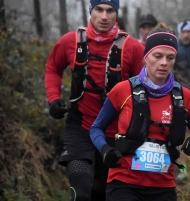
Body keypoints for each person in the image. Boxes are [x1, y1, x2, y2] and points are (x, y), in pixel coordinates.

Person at [90, 23, 190, 201]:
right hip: (124, 184)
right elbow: (96, 128)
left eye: (170, 58)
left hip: (163, 187)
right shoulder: (123, 90)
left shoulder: (184, 97)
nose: (164, 63)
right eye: (158, 56)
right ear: (145, 57)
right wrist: (105, 150)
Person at [44, 0, 144, 200]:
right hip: (81, 127)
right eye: (99, 9)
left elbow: (147, 89)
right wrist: (53, 99)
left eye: (110, 10)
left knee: (103, 193)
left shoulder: (133, 48)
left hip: (117, 134)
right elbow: (53, 68)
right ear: (91, 11)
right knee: (81, 193)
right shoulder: (69, 41)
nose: (104, 16)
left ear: (116, 13)